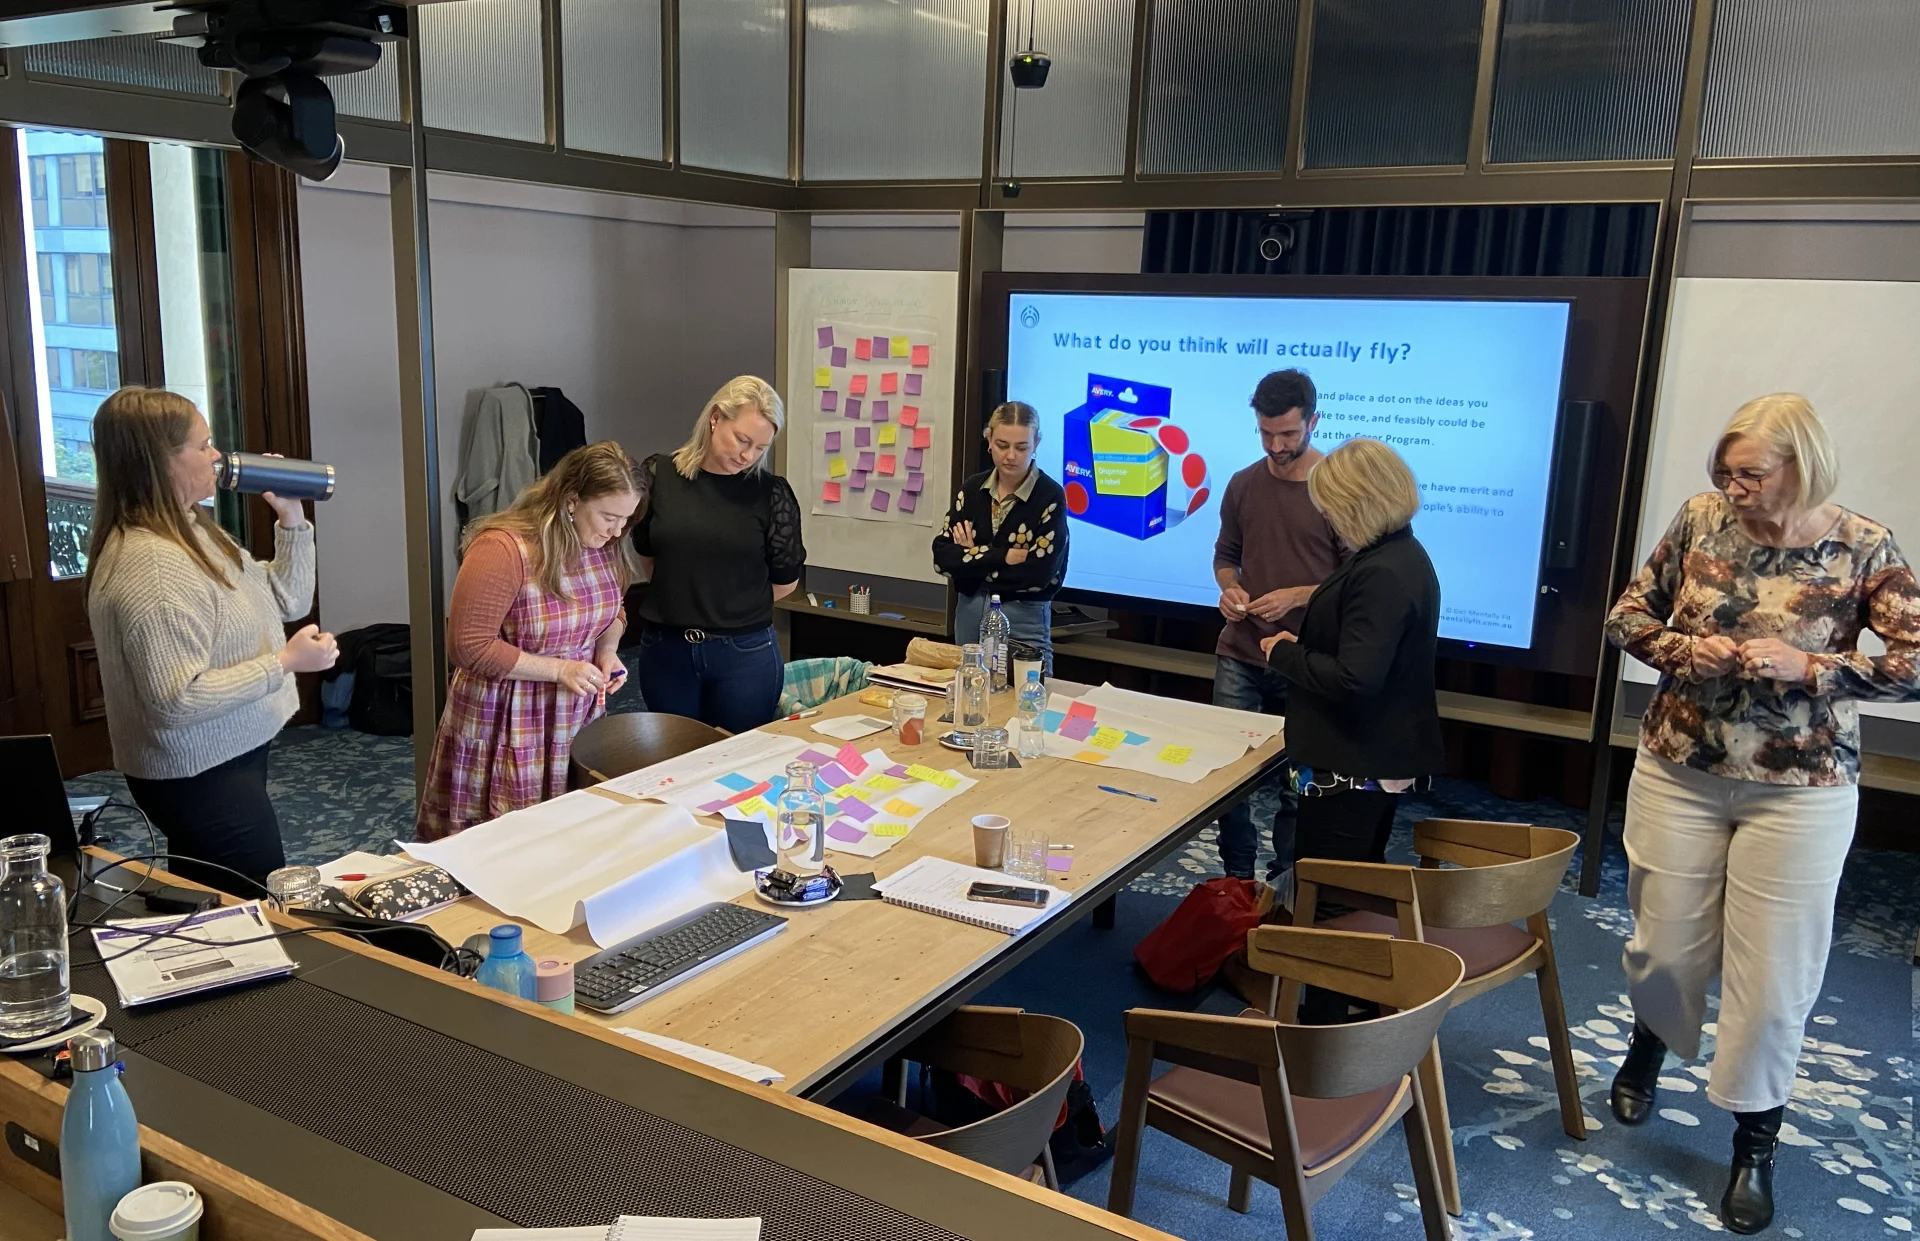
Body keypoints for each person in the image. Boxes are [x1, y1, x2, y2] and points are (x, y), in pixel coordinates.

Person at [1602, 394, 1920, 1235]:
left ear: (1800, 466)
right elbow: (1627, 617)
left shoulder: (1863, 544)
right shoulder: (1702, 521)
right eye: (1726, 471)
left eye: (1750, 473)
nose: (1732, 487)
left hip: (1803, 790)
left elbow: (1915, 662)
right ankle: (1652, 1038)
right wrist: (1682, 648)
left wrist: (1814, 666)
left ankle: (1755, 1134)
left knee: (1775, 976)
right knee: (1663, 942)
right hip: (1680, 766)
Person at [85, 386, 335, 894]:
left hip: (227, 755)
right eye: (203, 445)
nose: (217, 455)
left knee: (208, 894)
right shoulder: (152, 565)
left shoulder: (189, 527)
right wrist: (283, 663)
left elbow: (285, 600)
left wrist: (291, 517)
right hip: (198, 772)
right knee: (249, 900)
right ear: (162, 461)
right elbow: (176, 701)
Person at [416, 442, 643, 840]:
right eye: (609, 517)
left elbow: (613, 612)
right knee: (503, 842)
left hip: (571, 713)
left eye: (625, 519)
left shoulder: (603, 546)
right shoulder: (504, 548)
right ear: (572, 501)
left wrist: (607, 651)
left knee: (568, 837)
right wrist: (559, 669)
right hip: (507, 716)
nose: (617, 530)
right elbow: (469, 646)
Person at [1259, 437, 1441, 880]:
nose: (1326, 515)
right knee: (1353, 886)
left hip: (1352, 765)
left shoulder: (1381, 572)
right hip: (1370, 759)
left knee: (1329, 898)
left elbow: (1355, 679)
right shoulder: (1400, 554)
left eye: (1331, 505)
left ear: (1359, 504)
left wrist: (1283, 653)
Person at [1212, 369, 1344, 881]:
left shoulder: (1337, 490)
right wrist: (1229, 589)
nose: (1277, 445)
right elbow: (1226, 555)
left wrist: (1297, 596)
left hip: (1306, 659)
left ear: (1313, 420)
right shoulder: (1244, 483)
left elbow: (1358, 581)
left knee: (1299, 782)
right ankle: (1236, 879)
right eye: (1266, 433)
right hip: (1241, 649)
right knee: (1227, 778)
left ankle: (1287, 882)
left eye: (1288, 434)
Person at [632, 376, 805, 733]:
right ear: (715, 418)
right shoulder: (658, 476)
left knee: (738, 766)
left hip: (745, 654)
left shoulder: (770, 493)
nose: (747, 456)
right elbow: (647, 555)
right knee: (670, 762)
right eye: (741, 439)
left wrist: (730, 603)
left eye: (760, 448)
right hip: (666, 651)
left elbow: (786, 582)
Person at [933, 401, 1069, 672]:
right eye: (1002, 445)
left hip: (1023, 617)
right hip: (970, 615)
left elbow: (1039, 574)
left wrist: (972, 557)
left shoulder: (1050, 496)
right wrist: (1004, 555)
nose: (1011, 456)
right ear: (989, 440)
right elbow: (943, 558)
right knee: (969, 696)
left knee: (1026, 698)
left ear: (1036, 443)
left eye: (1021, 447)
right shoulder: (972, 489)